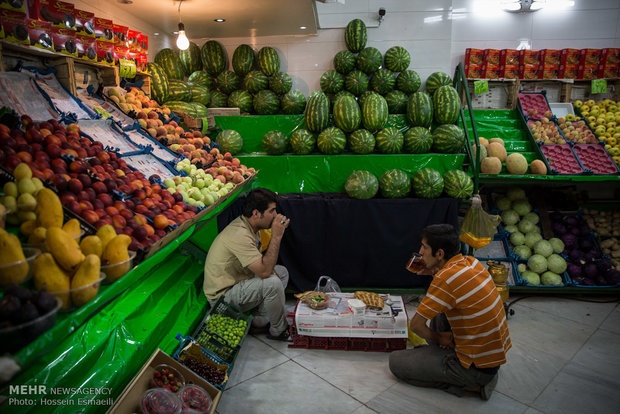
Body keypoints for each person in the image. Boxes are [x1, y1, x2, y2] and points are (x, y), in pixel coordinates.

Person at [389, 224, 511, 400]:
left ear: (439, 254)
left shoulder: (445, 279)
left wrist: (439, 338)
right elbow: (449, 294)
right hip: (490, 358)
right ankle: (446, 356)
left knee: (396, 362)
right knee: (439, 314)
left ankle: (472, 384)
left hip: (478, 369)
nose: (420, 252)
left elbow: (416, 326)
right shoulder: (471, 262)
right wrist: (434, 272)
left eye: (425, 247)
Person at [203, 188, 291, 341]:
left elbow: (264, 266)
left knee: (281, 272)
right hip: (222, 299)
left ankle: (260, 321)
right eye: (272, 211)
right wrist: (276, 236)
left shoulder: (251, 227)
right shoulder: (239, 234)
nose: (276, 216)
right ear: (256, 213)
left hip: (239, 283)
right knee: (273, 282)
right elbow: (264, 272)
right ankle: (279, 330)